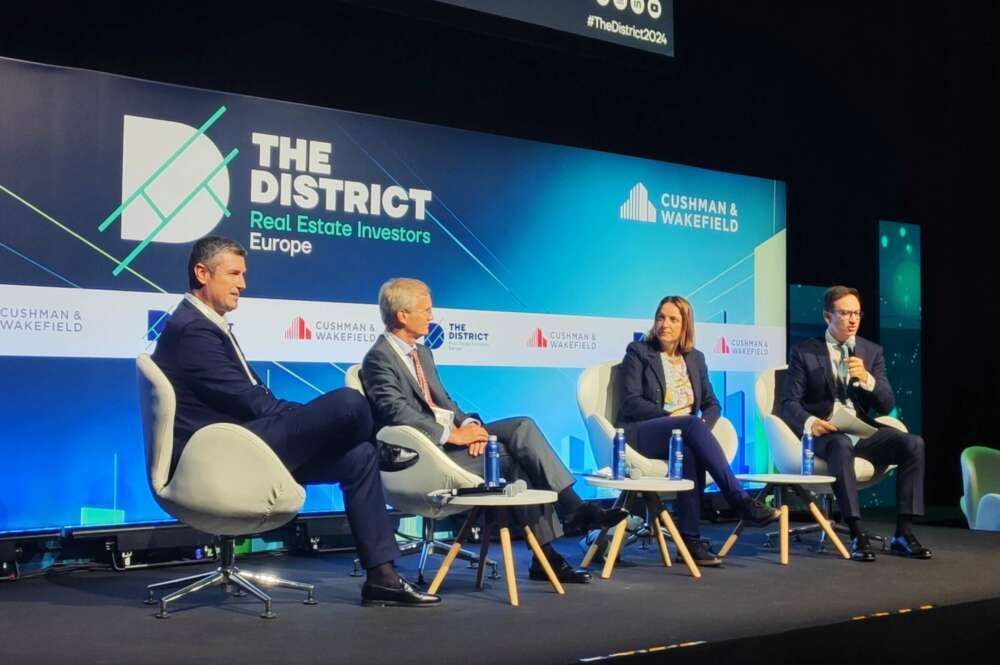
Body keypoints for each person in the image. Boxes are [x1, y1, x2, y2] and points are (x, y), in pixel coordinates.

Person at [151, 236, 439, 607]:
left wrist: (306, 421)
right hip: (220, 455)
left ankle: (382, 577)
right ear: (202, 273)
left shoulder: (206, 325)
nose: (243, 284)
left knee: (359, 457)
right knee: (349, 402)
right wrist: (306, 420)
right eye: (235, 274)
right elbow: (251, 401)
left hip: (245, 442)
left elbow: (255, 399)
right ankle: (386, 448)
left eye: (244, 274)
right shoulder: (193, 330)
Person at [361, 278, 626, 584]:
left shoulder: (422, 354)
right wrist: (453, 436)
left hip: (451, 446)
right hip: (423, 457)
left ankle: (571, 514)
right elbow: (396, 412)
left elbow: (445, 402)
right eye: (426, 310)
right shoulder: (378, 359)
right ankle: (558, 537)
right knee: (514, 459)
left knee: (522, 428)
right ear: (402, 316)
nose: (432, 317)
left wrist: (470, 426)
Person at [616, 295, 779, 567]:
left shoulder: (695, 358)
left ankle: (690, 542)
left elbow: (712, 404)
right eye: (660, 317)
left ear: (685, 325)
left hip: (685, 435)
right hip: (642, 433)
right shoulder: (638, 352)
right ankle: (740, 500)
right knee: (690, 425)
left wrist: (703, 426)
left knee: (692, 444)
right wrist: (673, 417)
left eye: (672, 319)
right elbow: (630, 402)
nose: (664, 324)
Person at [780, 285, 931, 561]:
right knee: (839, 443)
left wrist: (867, 380)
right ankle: (856, 531)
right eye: (845, 313)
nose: (852, 320)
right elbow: (788, 403)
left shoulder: (871, 352)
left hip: (861, 431)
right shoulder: (805, 352)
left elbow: (886, 404)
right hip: (826, 432)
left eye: (857, 314)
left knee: (913, 444)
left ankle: (904, 533)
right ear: (827, 317)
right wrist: (811, 422)